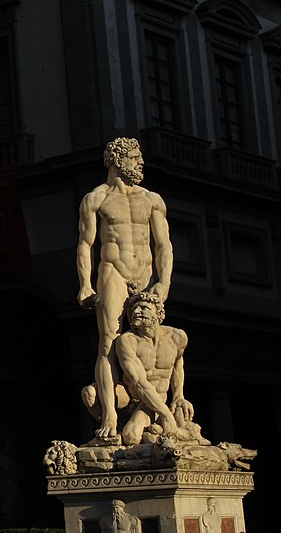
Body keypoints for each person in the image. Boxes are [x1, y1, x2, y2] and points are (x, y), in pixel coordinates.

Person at [77, 138, 173, 440]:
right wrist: (84, 285)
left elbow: (163, 245)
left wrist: (164, 280)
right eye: (134, 157)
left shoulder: (152, 199)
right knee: (108, 343)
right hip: (113, 270)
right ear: (117, 160)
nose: (139, 162)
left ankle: (148, 408)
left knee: (149, 340)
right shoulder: (97, 198)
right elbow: (85, 244)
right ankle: (109, 416)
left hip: (144, 273)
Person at [82, 290, 198, 446]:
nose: (136, 312)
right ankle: (116, 433)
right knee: (90, 393)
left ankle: (173, 433)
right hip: (132, 394)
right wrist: (166, 415)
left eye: (143, 308)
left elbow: (177, 363)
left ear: (158, 313)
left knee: (132, 437)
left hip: (156, 397)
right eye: (133, 309)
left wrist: (178, 396)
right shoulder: (127, 341)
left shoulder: (177, 337)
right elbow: (138, 382)